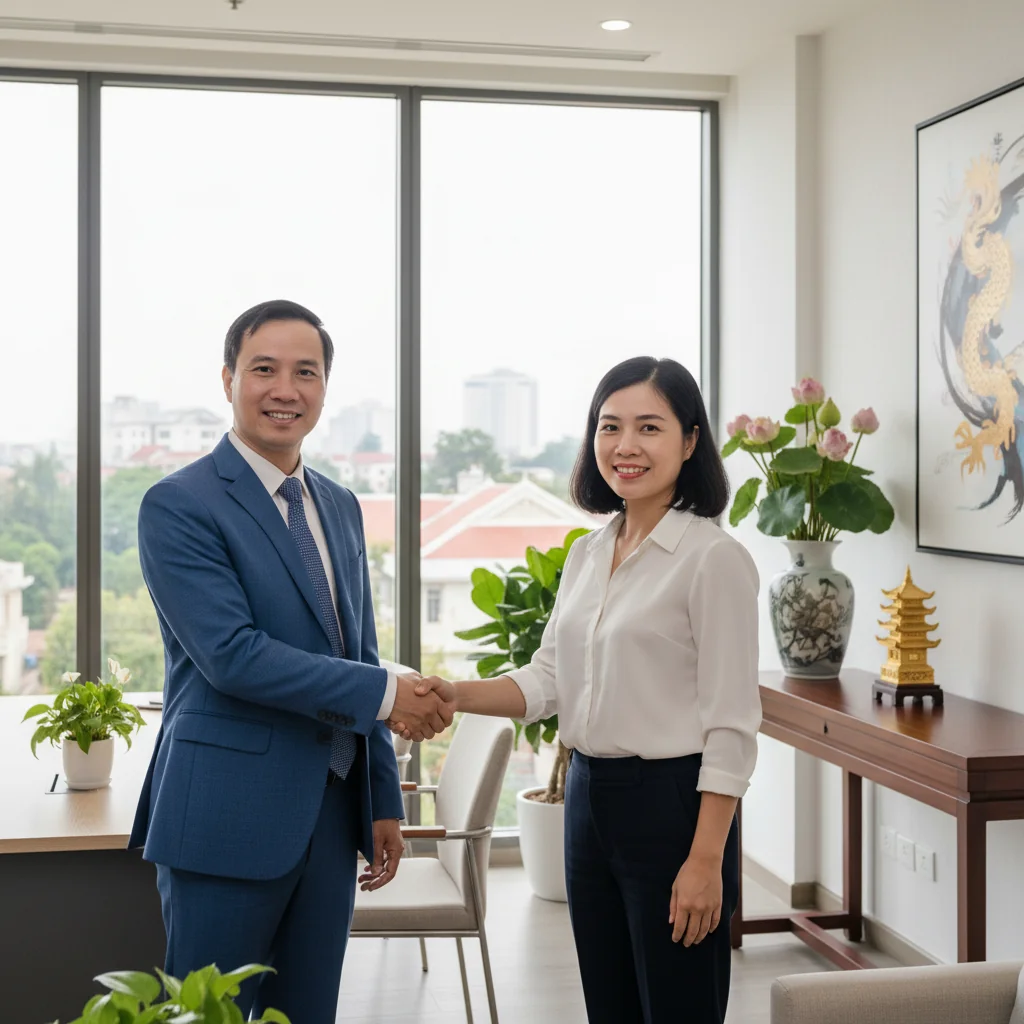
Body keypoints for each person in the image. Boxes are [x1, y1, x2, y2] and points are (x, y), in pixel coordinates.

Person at [391, 356, 761, 1024]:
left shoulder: (714, 560)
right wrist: (453, 693)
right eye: (609, 426)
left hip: (673, 809)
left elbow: (732, 726)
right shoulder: (589, 553)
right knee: (609, 1006)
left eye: (649, 427)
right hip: (588, 803)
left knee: (679, 1006)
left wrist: (707, 859)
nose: (625, 445)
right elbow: (549, 679)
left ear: (690, 441)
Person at [128, 299, 455, 1024]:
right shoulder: (178, 504)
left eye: (306, 372)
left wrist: (383, 799)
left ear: (325, 386)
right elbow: (233, 657)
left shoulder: (339, 505)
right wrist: (390, 692)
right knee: (208, 1017)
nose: (286, 390)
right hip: (225, 819)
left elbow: (358, 650)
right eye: (264, 370)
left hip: (331, 818)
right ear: (228, 379)